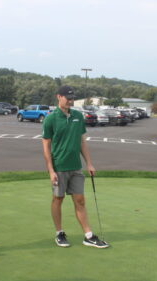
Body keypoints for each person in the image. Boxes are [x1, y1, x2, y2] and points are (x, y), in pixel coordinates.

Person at [42, 85, 109, 248]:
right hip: (59, 167)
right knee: (58, 199)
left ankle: (88, 235)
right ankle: (59, 233)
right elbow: (46, 146)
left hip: (75, 167)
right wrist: (51, 170)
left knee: (80, 200)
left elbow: (82, 142)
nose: (70, 101)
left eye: (72, 98)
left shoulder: (78, 116)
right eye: (67, 98)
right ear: (59, 97)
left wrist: (89, 163)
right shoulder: (51, 118)